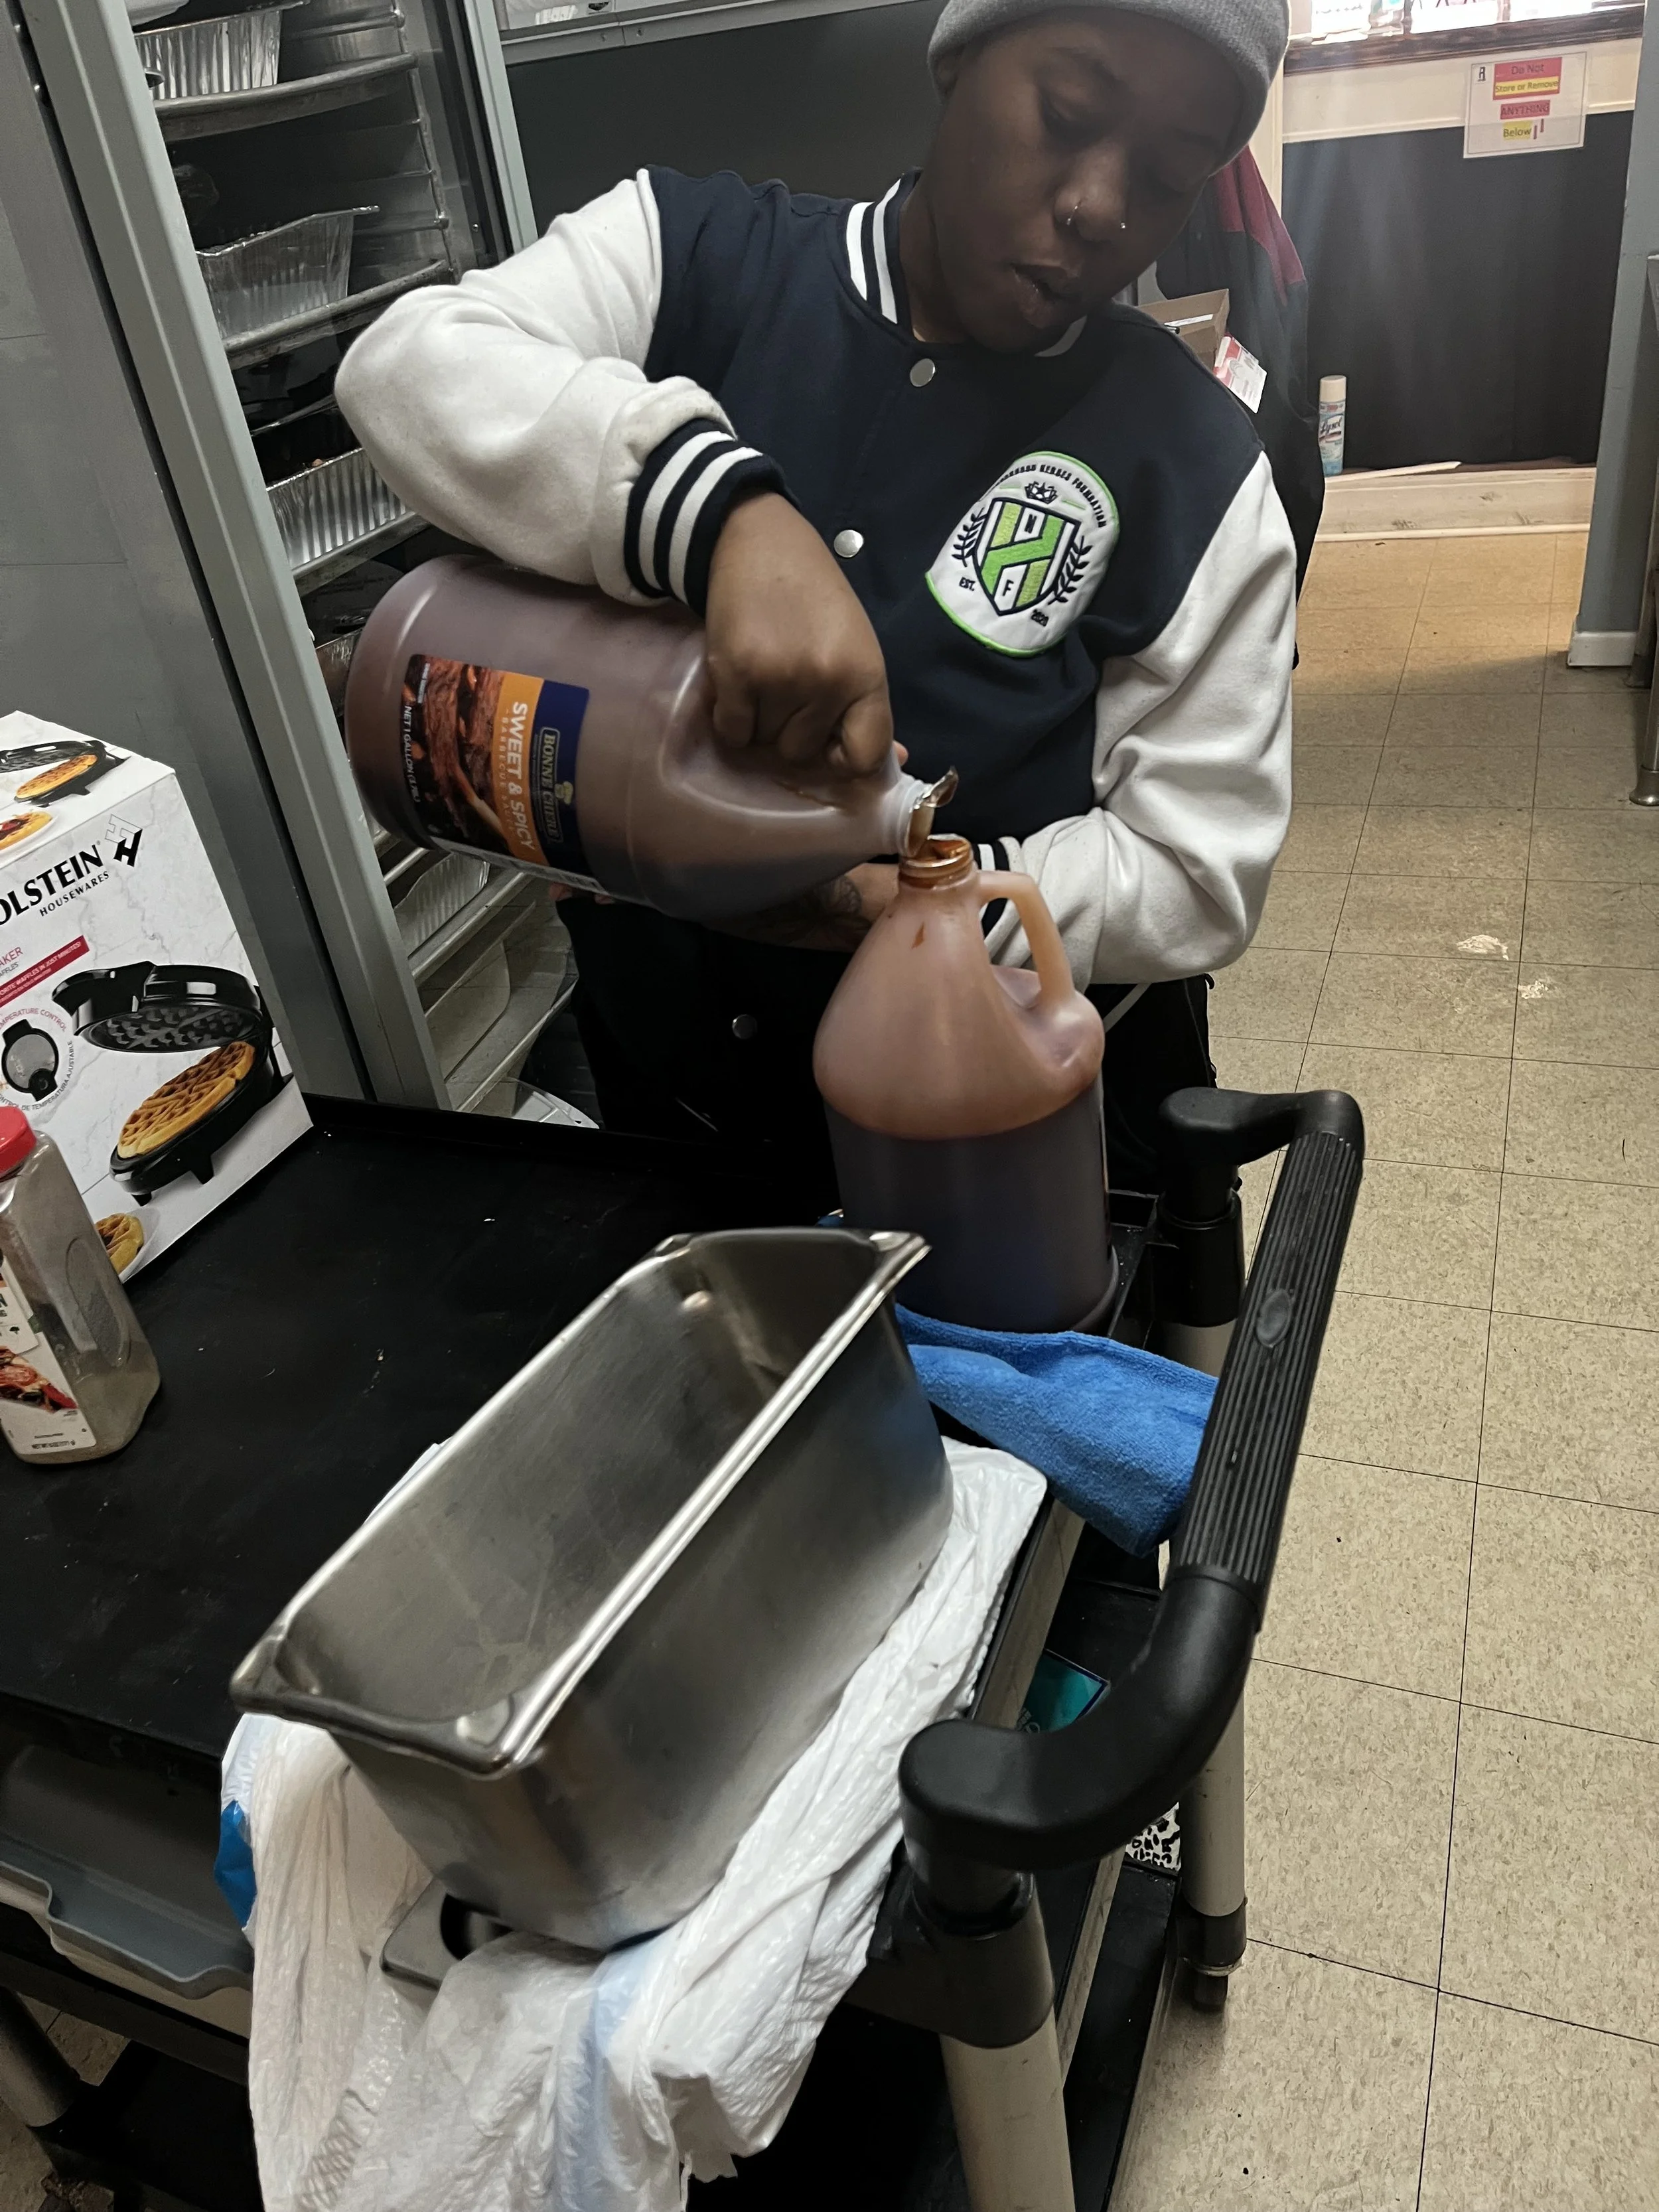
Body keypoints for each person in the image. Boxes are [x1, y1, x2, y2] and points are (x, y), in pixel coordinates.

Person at [337, 0, 1296, 1198]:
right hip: (679, 1114)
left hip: (1012, 1144)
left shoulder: (1193, 463)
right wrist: (721, 516)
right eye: (1067, 116)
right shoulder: (691, 253)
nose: (1100, 207)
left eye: (1164, 178)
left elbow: (1199, 866)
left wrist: (925, 898)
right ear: (960, 61)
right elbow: (409, 361)